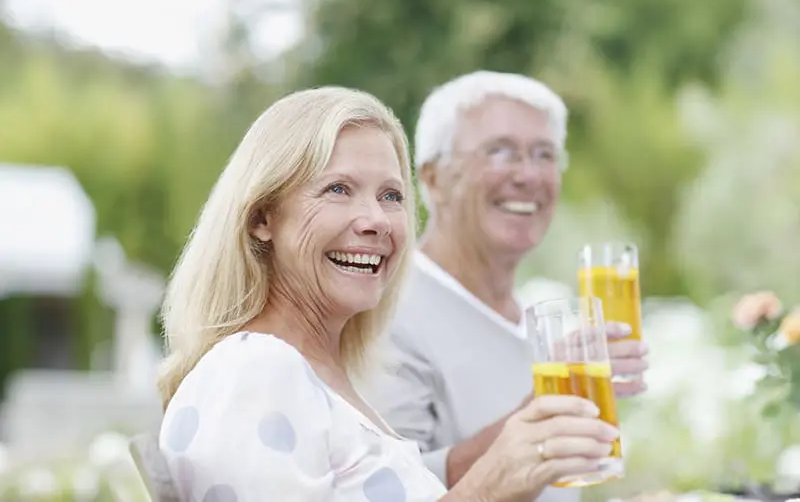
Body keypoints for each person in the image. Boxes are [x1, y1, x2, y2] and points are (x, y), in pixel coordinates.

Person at [156, 86, 621, 502]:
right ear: (262, 218)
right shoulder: (256, 372)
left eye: (391, 196)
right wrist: (489, 488)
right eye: (338, 189)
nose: (376, 219)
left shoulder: (325, 378)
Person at [365, 71, 650, 499]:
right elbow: (389, 489)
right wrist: (539, 415)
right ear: (434, 179)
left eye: (544, 154)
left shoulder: (534, 315)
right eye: (501, 152)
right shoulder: (386, 310)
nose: (528, 175)